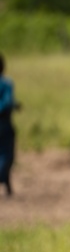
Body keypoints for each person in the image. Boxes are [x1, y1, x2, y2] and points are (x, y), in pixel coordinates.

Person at [0, 52, 21, 197]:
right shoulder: (6, 84)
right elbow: (7, 102)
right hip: (3, 123)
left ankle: (8, 187)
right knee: (7, 155)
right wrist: (15, 105)